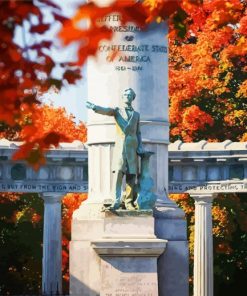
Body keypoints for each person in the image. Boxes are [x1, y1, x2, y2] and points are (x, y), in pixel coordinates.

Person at [86, 88, 144, 210]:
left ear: (133, 98)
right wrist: (95, 107)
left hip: (132, 147)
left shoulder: (136, 114)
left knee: (131, 175)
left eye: (130, 95)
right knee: (118, 173)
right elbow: (108, 111)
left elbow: (138, 132)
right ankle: (116, 200)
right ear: (122, 97)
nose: (127, 97)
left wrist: (140, 145)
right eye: (125, 95)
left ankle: (129, 202)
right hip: (120, 147)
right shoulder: (117, 111)